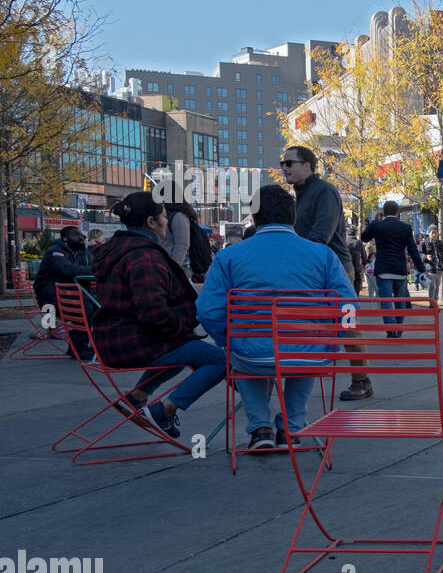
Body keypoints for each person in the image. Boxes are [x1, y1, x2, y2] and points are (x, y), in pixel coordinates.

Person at [196, 184, 356, 451]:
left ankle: (260, 429)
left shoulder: (229, 256)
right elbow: (348, 306)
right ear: (292, 216)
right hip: (309, 354)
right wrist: (332, 337)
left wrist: (228, 340)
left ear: (255, 217)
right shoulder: (322, 254)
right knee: (308, 350)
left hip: (252, 353)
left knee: (243, 354)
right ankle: (292, 427)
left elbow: (208, 311)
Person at [91, 192, 226, 438]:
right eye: (164, 216)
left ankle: (137, 396)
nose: (167, 221)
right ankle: (163, 411)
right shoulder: (144, 256)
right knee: (220, 360)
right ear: (151, 222)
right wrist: (184, 323)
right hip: (132, 342)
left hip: (112, 337)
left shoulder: (118, 249)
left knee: (188, 346)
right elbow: (154, 313)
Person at [282, 145, 371, 401]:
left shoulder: (324, 191)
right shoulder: (299, 195)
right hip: (310, 267)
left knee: (347, 324)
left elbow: (321, 234)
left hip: (335, 268)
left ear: (307, 165)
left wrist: (293, 257)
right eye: (283, 163)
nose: (284, 168)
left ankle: (362, 381)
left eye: (289, 163)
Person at [361, 200, 424, 335]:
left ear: (383, 212)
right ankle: (399, 327)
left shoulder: (377, 226)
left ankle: (390, 329)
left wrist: (372, 225)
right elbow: (413, 249)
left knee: (386, 301)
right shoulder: (405, 228)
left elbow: (364, 237)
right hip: (399, 269)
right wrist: (421, 268)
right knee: (400, 301)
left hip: (383, 269)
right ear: (397, 212)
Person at [34, 226, 95, 359]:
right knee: (85, 308)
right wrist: (96, 270)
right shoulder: (55, 252)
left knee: (98, 306)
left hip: (65, 294)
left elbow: (89, 266)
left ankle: (87, 347)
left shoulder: (77, 252)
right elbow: (67, 270)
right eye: (77, 235)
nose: (81, 237)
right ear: (65, 238)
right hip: (49, 297)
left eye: (82, 235)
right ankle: (79, 349)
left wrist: (85, 251)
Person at [424, 230, 443, 303]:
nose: (434, 234)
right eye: (432, 233)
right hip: (430, 268)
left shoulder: (441, 243)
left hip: (439, 268)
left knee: (437, 287)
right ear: (429, 233)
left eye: (435, 233)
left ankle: (435, 303)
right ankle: (431, 303)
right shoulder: (424, 243)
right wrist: (426, 256)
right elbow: (420, 254)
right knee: (432, 286)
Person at [346, 229, 366, 295]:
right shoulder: (359, 242)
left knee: (347, 282)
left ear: (347, 234)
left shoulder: (344, 241)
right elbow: (364, 255)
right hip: (357, 266)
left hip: (346, 266)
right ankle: (355, 297)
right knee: (357, 282)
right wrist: (364, 264)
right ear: (356, 234)